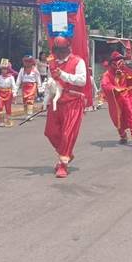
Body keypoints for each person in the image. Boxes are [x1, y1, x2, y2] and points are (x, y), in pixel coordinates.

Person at [44, 36, 87, 178]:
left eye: (62, 50)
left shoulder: (78, 61)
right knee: (50, 132)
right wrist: (46, 101)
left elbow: (82, 81)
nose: (60, 53)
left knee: (67, 134)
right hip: (56, 102)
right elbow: (49, 84)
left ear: (68, 48)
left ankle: (63, 164)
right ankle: (67, 153)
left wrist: (62, 74)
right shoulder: (52, 64)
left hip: (73, 102)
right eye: (57, 50)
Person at [101, 51, 132, 145]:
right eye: (116, 60)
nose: (119, 62)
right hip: (116, 99)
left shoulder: (125, 70)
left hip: (127, 96)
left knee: (130, 113)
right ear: (112, 63)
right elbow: (105, 85)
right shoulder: (107, 74)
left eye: (120, 60)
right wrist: (114, 88)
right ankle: (123, 136)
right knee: (118, 118)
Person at [15, 54, 42, 119]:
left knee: (30, 100)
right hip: (24, 87)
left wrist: (40, 87)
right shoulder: (22, 70)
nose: (27, 63)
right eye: (26, 61)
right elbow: (19, 79)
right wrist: (16, 89)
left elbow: (38, 78)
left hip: (32, 86)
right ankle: (26, 113)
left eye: (29, 61)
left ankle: (30, 114)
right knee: (25, 101)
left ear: (32, 62)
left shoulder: (35, 70)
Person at [0, 58, 17, 127]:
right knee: (0, 107)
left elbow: (14, 86)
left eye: (5, 69)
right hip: (0, 93)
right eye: (2, 69)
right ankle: (1, 121)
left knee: (8, 108)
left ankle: (8, 121)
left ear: (8, 69)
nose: (3, 70)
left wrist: (14, 94)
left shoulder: (11, 77)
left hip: (8, 93)